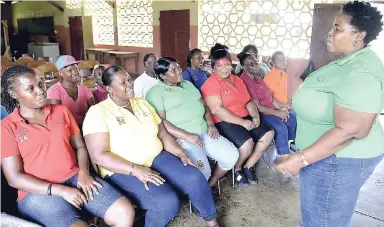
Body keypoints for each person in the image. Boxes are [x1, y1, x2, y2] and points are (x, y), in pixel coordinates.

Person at [276, 2, 384, 227]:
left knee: (322, 221)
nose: (330, 32)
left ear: (359, 34)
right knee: (317, 217)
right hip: (327, 156)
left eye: (338, 28)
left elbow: (351, 130)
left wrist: (302, 158)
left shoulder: (361, 71)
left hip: (337, 162)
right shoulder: (348, 61)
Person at [82, 65, 220, 227]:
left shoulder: (141, 103)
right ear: (109, 88)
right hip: (122, 169)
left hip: (156, 157)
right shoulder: (98, 112)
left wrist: (180, 153)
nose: (130, 84)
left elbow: (162, 134)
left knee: (195, 177)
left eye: (129, 79)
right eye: (123, 83)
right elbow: (99, 155)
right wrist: (135, 169)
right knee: (166, 202)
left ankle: (212, 222)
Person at [1, 65, 135, 227]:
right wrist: (60, 190)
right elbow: (14, 178)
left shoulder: (61, 111)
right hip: (36, 192)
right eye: (31, 88)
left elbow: (79, 147)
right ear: (14, 94)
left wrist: (84, 173)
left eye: (41, 85)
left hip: (74, 177)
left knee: (124, 212)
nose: (41, 91)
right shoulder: (7, 127)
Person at [146, 57, 239, 195]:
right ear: (162, 75)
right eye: (173, 70)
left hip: (204, 130)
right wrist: (187, 136)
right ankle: (199, 196)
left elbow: (204, 106)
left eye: (178, 67)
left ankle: (210, 185)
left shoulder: (188, 84)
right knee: (202, 172)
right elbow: (161, 121)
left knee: (231, 156)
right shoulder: (155, 93)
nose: (179, 71)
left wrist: (210, 124)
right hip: (182, 137)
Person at [201, 43, 274, 186]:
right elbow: (217, 110)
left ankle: (248, 166)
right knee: (247, 144)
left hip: (244, 116)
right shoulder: (211, 83)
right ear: (213, 67)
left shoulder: (237, 80)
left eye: (227, 65)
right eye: (220, 66)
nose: (224, 69)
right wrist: (243, 123)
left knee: (268, 134)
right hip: (224, 121)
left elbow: (248, 101)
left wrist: (255, 117)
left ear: (232, 65)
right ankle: (236, 169)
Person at [238, 51, 297, 155]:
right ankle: (284, 157)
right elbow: (258, 108)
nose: (255, 65)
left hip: (271, 110)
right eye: (250, 64)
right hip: (260, 114)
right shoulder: (244, 81)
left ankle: (287, 145)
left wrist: (282, 108)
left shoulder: (258, 79)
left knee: (291, 118)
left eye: (256, 62)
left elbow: (271, 98)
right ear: (243, 66)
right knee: (281, 128)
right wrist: (278, 113)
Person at [47, 55, 95, 127]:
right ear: (61, 73)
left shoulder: (84, 89)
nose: (75, 72)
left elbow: (94, 112)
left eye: (76, 69)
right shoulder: (54, 91)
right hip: (66, 129)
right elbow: (57, 119)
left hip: (86, 127)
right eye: (70, 70)